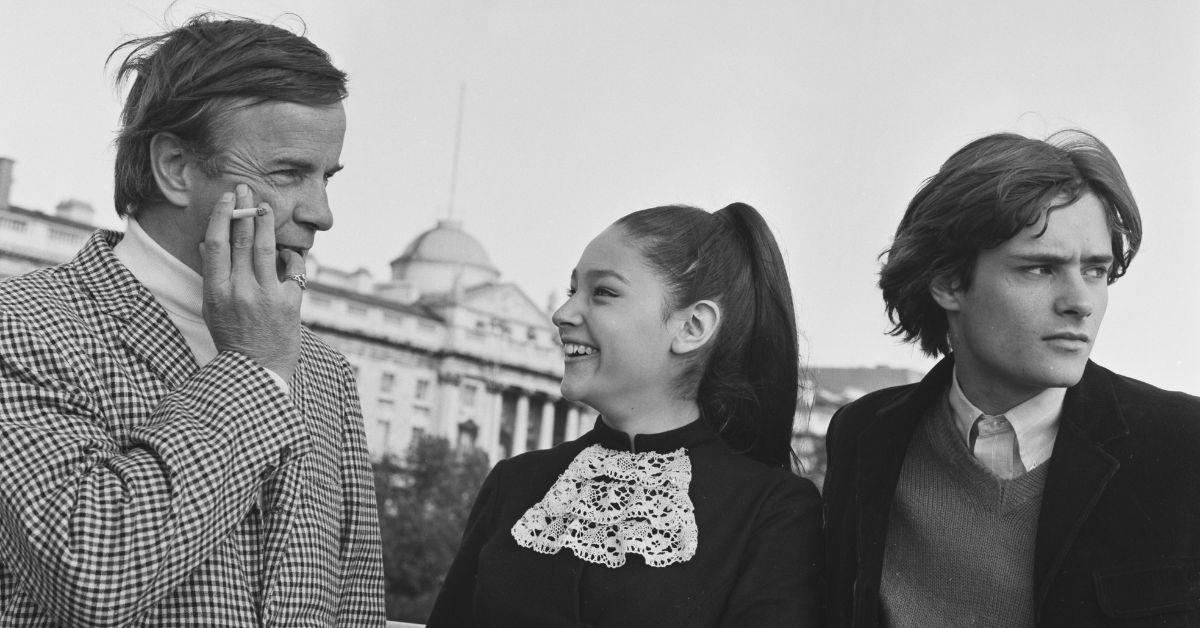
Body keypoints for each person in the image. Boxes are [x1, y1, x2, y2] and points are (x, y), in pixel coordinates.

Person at [0, 15, 384, 625]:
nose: (322, 213)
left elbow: (357, 606)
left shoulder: (327, 372)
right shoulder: (19, 326)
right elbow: (90, 576)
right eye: (288, 173)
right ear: (176, 167)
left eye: (326, 176)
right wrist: (253, 370)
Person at [823, 131, 1200, 626]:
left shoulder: (1182, 444)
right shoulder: (866, 435)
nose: (1080, 302)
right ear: (947, 282)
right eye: (1041, 269)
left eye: (1096, 270)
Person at [427, 203, 823, 626]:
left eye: (603, 293)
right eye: (571, 291)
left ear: (691, 327)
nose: (562, 315)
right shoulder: (512, 483)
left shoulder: (775, 510)